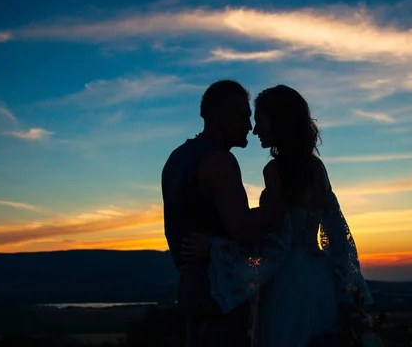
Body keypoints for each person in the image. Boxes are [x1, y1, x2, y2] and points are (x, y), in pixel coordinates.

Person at [182, 85, 376, 346]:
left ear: (278, 122)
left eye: (260, 120)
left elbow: (275, 243)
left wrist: (216, 248)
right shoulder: (317, 168)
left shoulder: (274, 171)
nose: (255, 129)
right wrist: (344, 287)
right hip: (320, 277)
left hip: (287, 281)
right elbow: (337, 233)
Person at [161, 80, 287, 347]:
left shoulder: (176, 158)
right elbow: (242, 228)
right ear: (220, 117)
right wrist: (279, 206)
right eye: (243, 116)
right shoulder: (220, 161)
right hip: (218, 291)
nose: (249, 127)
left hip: (190, 287)